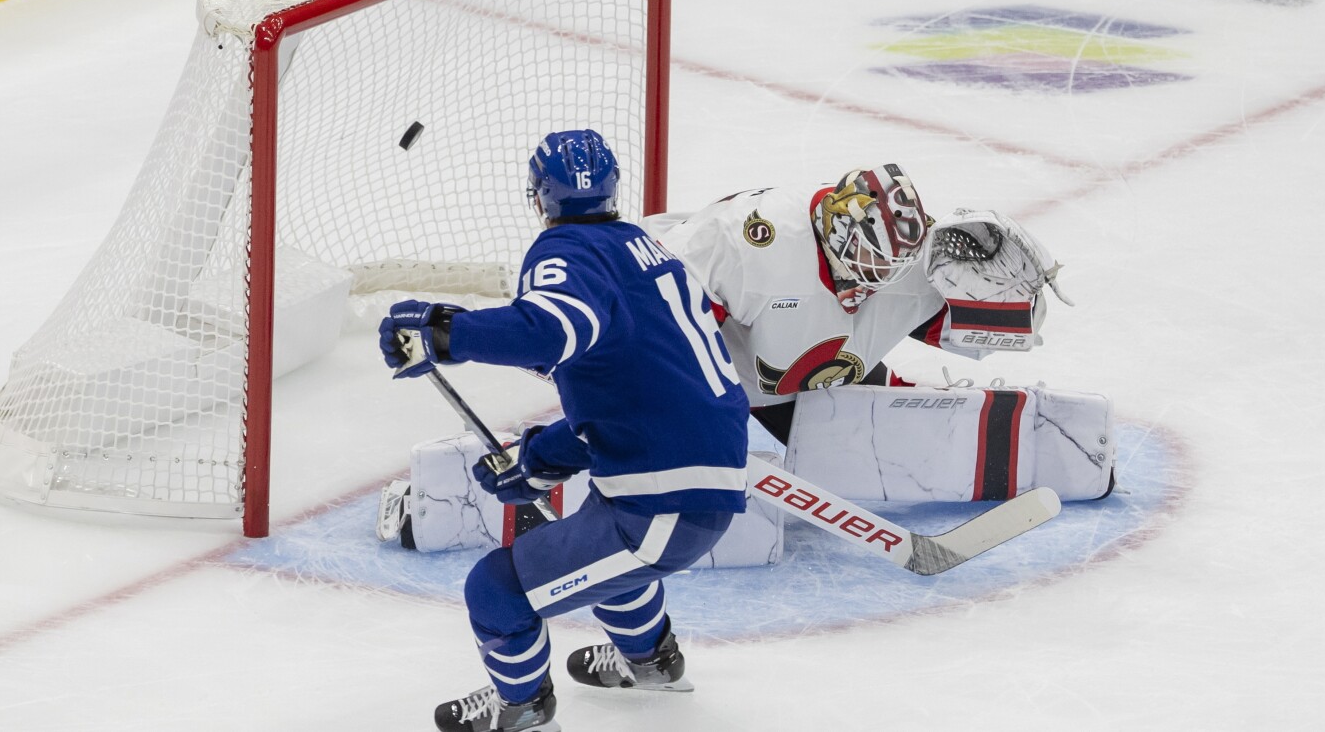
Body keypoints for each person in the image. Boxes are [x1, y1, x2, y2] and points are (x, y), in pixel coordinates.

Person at [378, 130, 750, 732]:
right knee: (604, 548)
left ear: (538, 196)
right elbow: (636, 388)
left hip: (663, 504)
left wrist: (446, 334)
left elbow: (550, 331)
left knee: (496, 589)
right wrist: (542, 457)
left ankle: (522, 708)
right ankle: (651, 662)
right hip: (692, 479)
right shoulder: (645, 248)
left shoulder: (566, 251)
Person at [644, 163, 1075, 444]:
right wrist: (698, 409)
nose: (884, 277)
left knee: (903, 442)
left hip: (818, 371)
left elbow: (950, 321)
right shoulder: (747, 242)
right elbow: (657, 319)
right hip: (718, 374)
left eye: (895, 265)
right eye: (875, 263)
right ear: (838, 233)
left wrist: (1013, 308)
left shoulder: (906, 256)